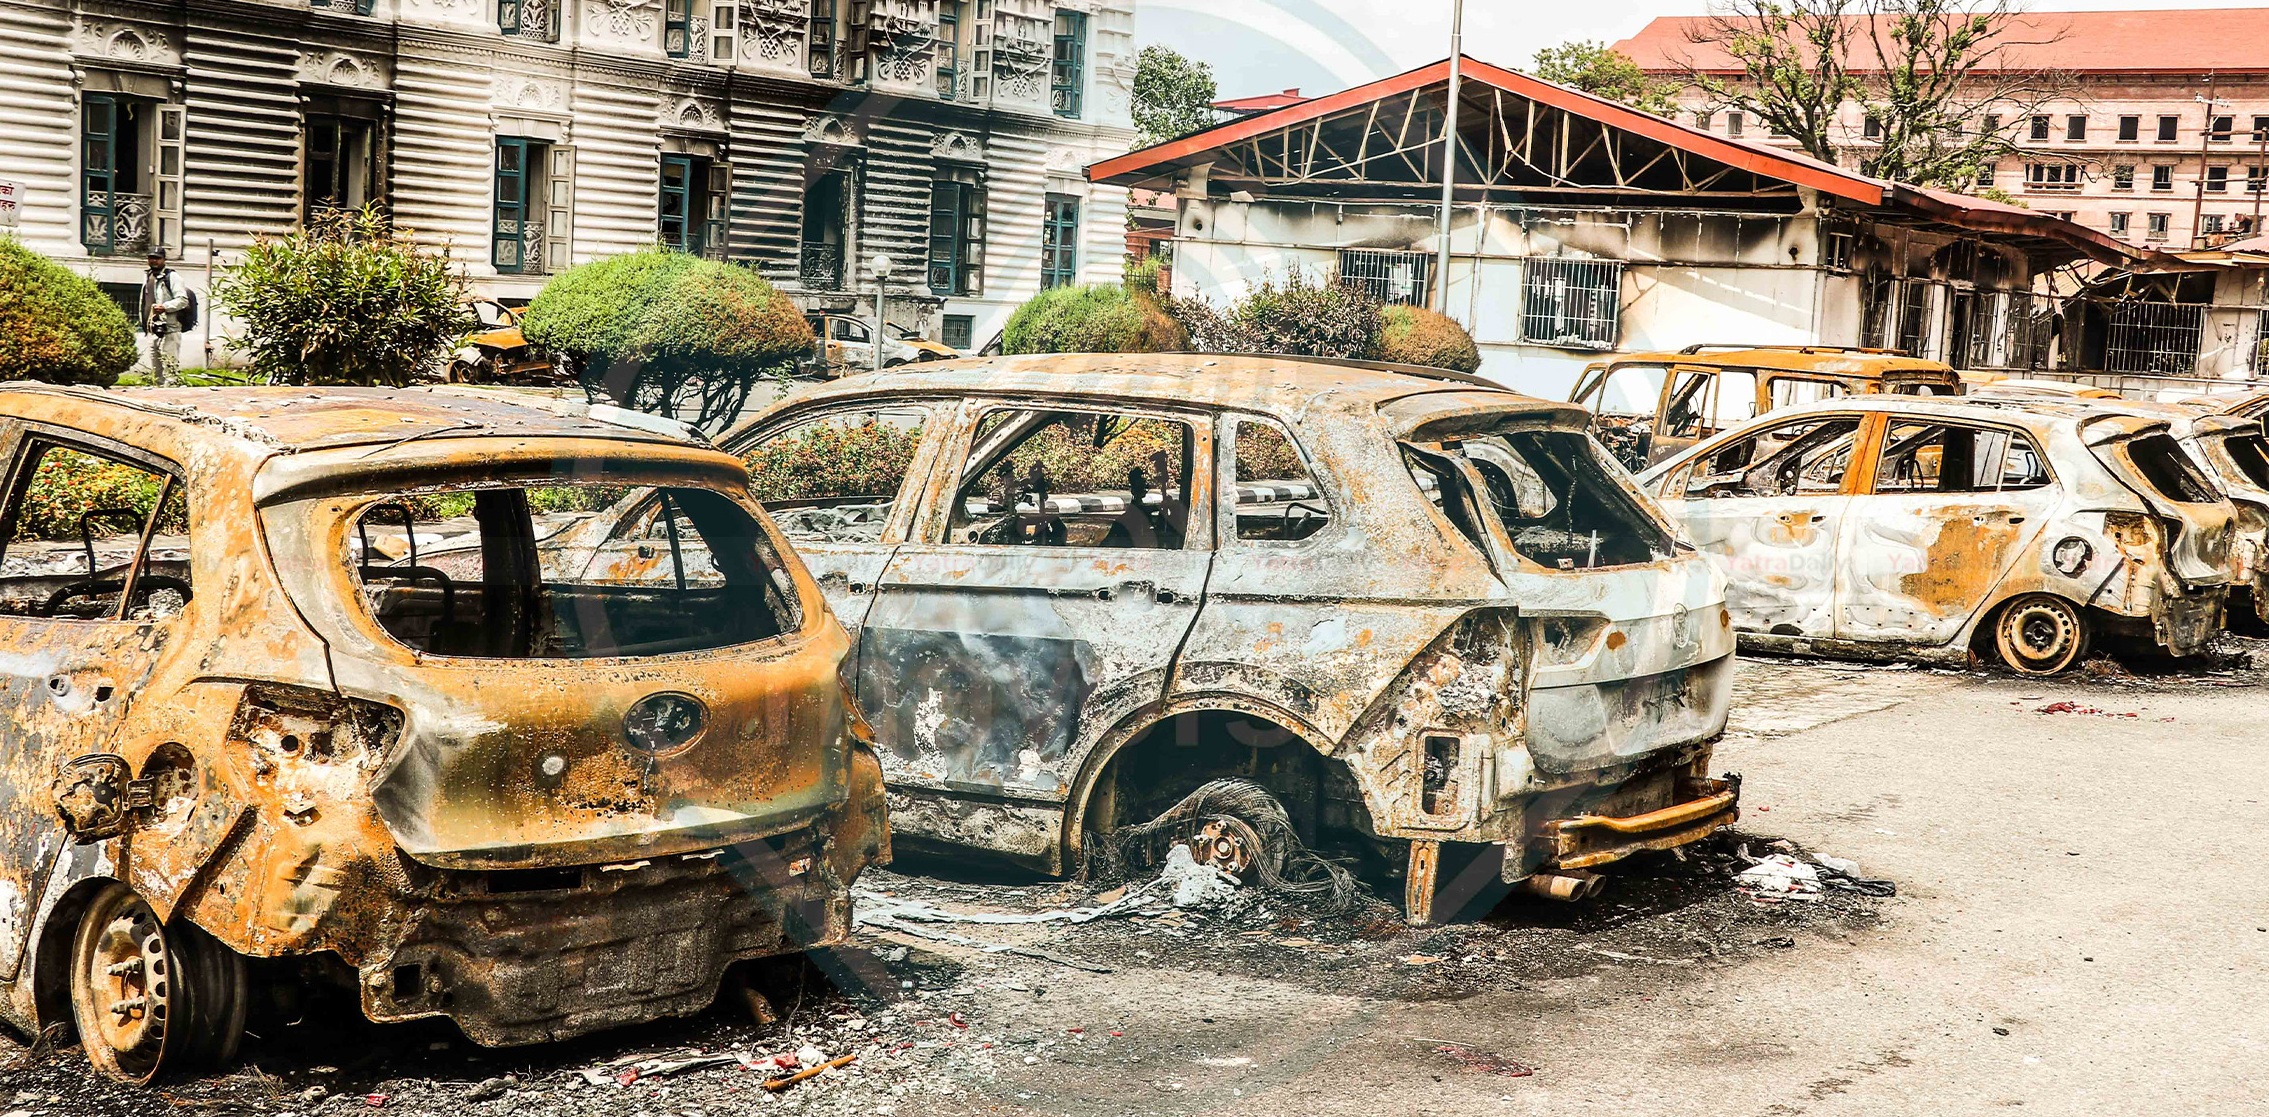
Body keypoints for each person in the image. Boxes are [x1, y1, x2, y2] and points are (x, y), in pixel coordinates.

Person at [140, 249, 191, 386]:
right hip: (153, 330)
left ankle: (172, 397)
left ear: (164, 260)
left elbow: (182, 300)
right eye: (151, 258)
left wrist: (165, 307)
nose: (154, 261)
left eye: (157, 258)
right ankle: (158, 398)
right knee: (156, 372)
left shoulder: (173, 277)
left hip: (169, 329)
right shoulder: (148, 277)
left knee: (170, 368)